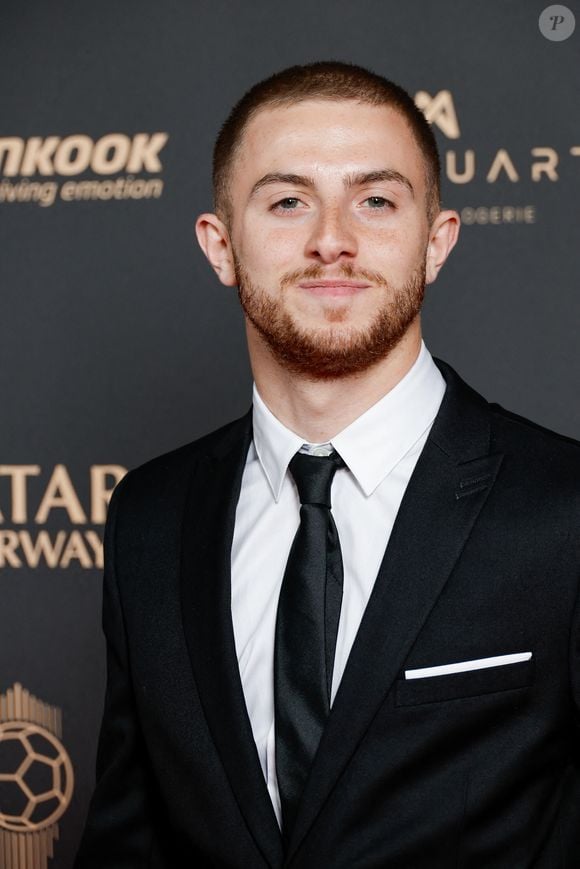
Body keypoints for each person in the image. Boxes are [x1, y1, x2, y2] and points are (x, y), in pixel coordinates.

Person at [75, 61, 580, 868]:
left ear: (437, 241)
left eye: (376, 199)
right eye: (287, 201)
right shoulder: (150, 516)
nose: (332, 239)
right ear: (221, 245)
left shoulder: (564, 509)